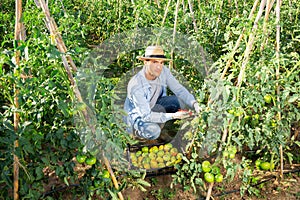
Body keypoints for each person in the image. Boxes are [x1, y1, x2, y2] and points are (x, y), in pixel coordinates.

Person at [124, 45, 200, 140]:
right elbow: (146, 115)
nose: (159, 66)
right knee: (154, 131)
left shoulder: (163, 71)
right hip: (140, 116)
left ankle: (163, 122)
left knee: (182, 101)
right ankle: (137, 134)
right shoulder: (136, 85)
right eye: (155, 62)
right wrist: (173, 116)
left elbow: (179, 90)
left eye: (161, 62)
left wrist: (194, 104)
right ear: (145, 62)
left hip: (155, 104)